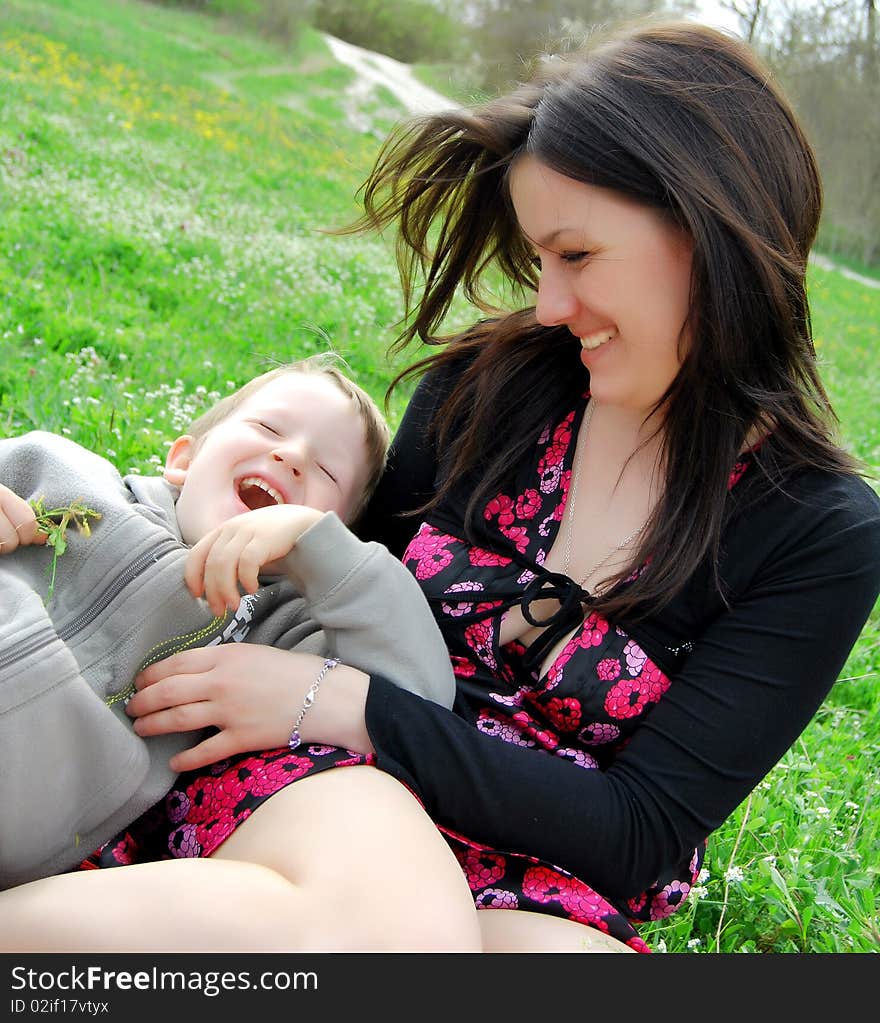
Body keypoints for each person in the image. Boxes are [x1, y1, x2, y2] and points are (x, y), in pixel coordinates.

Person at [2, 19, 880, 954]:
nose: (548, 304)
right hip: (322, 788)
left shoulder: (820, 532)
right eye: (541, 260)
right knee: (384, 928)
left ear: (713, 231)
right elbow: (290, 564)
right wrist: (49, 510)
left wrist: (348, 703)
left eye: (577, 256)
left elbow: (640, 831)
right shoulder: (487, 392)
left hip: (548, 881)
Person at [0, 354, 455, 889]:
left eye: (327, 472)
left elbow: (417, 699)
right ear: (185, 460)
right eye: (267, 428)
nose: (292, 456)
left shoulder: (278, 632)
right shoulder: (63, 475)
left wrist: (332, 558)